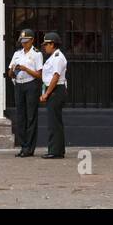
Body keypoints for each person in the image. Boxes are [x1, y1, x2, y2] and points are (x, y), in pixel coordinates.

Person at [8, 29, 44, 157]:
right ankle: (23, 146)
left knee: (31, 117)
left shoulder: (36, 54)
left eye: (26, 42)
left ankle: (30, 148)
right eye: (22, 42)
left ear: (32, 40)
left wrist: (25, 69)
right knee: (20, 117)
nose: (24, 44)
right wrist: (13, 70)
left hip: (31, 85)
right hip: (19, 84)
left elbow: (39, 75)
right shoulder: (17, 54)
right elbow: (9, 73)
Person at [39, 32, 68, 160]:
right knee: (55, 122)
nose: (45, 47)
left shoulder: (57, 57)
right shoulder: (53, 57)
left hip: (56, 90)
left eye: (46, 44)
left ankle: (55, 151)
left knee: (53, 123)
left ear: (52, 44)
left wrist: (46, 93)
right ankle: (58, 150)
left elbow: (55, 77)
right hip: (54, 90)